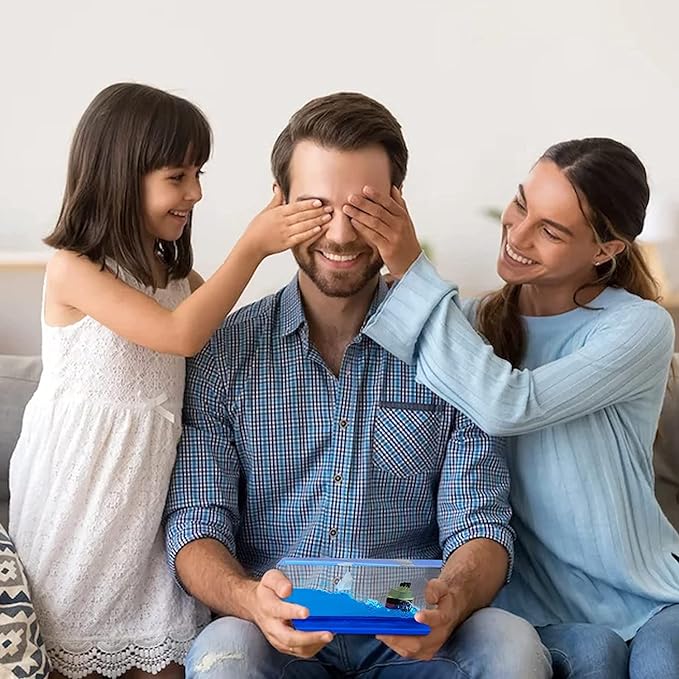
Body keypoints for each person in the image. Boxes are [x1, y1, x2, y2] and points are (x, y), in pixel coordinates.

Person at [164, 92, 552, 679]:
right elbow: (196, 523)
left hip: (410, 627)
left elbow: (481, 523)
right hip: (280, 627)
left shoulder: (450, 350)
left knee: (512, 646)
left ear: (399, 205)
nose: (341, 234)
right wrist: (252, 603)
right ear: (279, 204)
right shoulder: (225, 351)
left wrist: (451, 598)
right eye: (316, 207)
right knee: (226, 656)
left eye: (365, 209)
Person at [8, 82, 330, 679]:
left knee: (164, 655)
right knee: (68, 649)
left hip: (144, 513)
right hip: (79, 504)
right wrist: (254, 246)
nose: (197, 193)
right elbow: (181, 335)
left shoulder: (176, 277)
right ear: (120, 174)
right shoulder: (75, 270)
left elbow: (229, 342)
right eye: (178, 176)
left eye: (198, 174)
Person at [343, 137, 679, 678]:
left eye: (550, 230)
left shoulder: (636, 326)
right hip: (534, 610)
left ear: (604, 250)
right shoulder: (471, 326)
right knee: (592, 656)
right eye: (521, 205)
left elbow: (510, 403)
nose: (517, 234)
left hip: (646, 596)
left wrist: (410, 264)